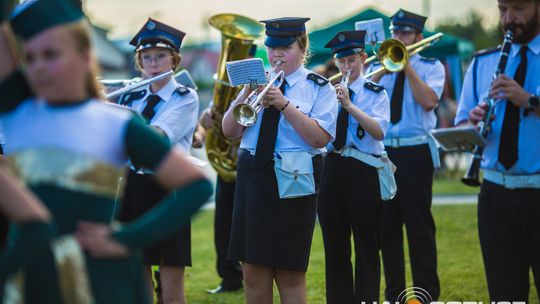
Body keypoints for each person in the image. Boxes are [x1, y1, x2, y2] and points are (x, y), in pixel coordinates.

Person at [0, 1, 212, 303]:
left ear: (85, 56)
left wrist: (130, 238)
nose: (39, 67)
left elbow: (198, 185)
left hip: (98, 280)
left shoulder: (115, 121)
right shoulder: (19, 114)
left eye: (51, 55)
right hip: (28, 277)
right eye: (30, 58)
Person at [222, 17, 337, 304]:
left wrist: (284, 104)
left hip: (294, 177)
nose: (277, 55)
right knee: (252, 270)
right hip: (254, 174)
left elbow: (319, 138)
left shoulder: (318, 87)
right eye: (272, 48)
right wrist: (248, 92)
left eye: (285, 47)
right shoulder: (257, 80)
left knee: (290, 272)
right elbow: (230, 130)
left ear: (302, 47)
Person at [455, 0, 540, 300]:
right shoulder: (482, 62)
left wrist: (527, 99)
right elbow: (461, 123)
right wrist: (473, 122)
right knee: (505, 295)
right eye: (503, 10)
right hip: (495, 197)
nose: (508, 19)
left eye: (518, 8)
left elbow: (527, 102)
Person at [114, 17, 199, 304]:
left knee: (172, 285)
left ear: (174, 59)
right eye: (146, 57)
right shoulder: (130, 95)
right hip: (133, 187)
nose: (153, 63)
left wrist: (116, 118)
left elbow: (156, 137)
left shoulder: (184, 97)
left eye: (161, 56)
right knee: (137, 283)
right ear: (139, 63)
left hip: (169, 189)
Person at [368, 9, 446, 301]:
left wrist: (406, 65)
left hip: (415, 152)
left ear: (418, 37)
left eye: (404, 33)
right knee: (387, 228)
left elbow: (428, 102)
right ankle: (394, 294)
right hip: (385, 152)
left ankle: (426, 294)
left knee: (419, 226)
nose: (397, 37)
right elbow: (363, 98)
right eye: (394, 32)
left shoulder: (430, 66)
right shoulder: (379, 67)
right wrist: (383, 68)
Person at [318, 30, 389, 304]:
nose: (346, 67)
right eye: (341, 61)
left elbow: (379, 131)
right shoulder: (326, 92)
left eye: (351, 60)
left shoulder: (375, 92)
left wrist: (348, 105)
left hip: (364, 169)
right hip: (333, 167)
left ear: (363, 58)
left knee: (367, 247)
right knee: (335, 247)